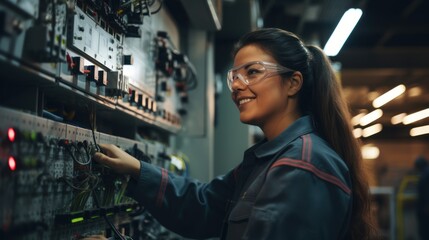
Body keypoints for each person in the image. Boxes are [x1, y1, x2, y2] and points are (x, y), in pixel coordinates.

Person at [86, 28, 376, 239]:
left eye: (252, 72)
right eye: (234, 76)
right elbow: (205, 206)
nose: (237, 85)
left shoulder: (302, 166)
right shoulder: (271, 159)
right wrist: (137, 170)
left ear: (293, 83)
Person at [415, 156, 429, 240]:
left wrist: (427, 204)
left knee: (425, 232)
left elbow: (426, 190)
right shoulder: (425, 173)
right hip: (424, 208)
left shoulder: (425, 174)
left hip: (425, 209)